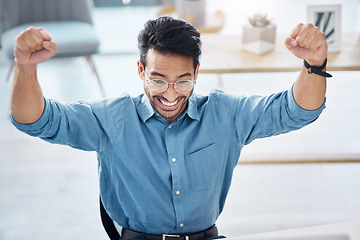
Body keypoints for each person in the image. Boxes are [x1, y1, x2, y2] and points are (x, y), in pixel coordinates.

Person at [10, 16, 330, 239]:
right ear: (141, 70)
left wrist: (314, 65)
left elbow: (296, 111)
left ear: (197, 72)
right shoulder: (111, 120)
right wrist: (25, 67)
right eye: (158, 79)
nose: (170, 94)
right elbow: (35, 119)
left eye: (183, 80)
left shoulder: (225, 115)